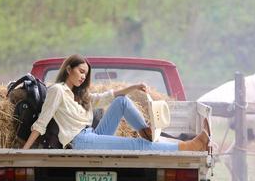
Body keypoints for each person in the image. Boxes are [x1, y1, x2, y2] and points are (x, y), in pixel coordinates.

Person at [23, 54, 211, 151]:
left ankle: (146, 131)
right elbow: (41, 122)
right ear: (68, 69)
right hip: (80, 141)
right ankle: (189, 147)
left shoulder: (79, 94)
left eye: (85, 74)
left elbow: (108, 96)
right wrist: (24, 151)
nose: (83, 77)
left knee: (121, 101)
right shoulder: (57, 91)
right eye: (80, 72)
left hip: (91, 134)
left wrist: (134, 86)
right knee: (139, 146)